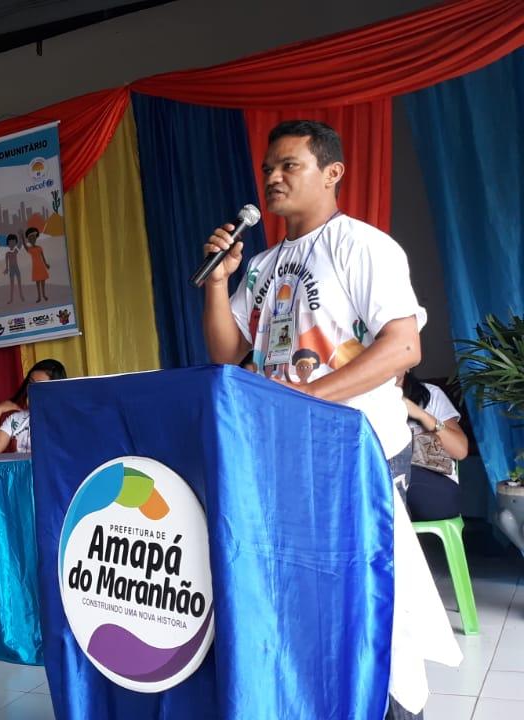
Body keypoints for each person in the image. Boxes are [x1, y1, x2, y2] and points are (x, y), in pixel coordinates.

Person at [199, 119, 456, 719]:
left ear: (332, 173)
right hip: (280, 453)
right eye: (268, 168)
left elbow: (402, 348)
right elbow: (223, 353)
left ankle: (392, 709)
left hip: (354, 451)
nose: (273, 177)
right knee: (300, 602)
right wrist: (218, 283)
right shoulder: (262, 266)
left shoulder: (363, 246)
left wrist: (305, 399)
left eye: (290, 165)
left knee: (365, 603)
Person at [399, 372, 470, 522]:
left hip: (434, 485)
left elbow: (460, 450)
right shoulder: (364, 399)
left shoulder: (430, 394)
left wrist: (421, 415)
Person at [0, 359, 66, 454]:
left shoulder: (65, 420)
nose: (32, 388)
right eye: (30, 382)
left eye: (39, 385)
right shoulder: (16, 419)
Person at [24, 227, 50, 303]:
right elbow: (26, 247)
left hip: (41, 266)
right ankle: (39, 297)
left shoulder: (39, 248)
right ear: (29, 240)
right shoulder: (30, 249)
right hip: (35, 267)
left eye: (34, 238)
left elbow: (43, 257)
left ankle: (44, 295)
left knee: (43, 282)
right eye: (31, 238)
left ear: (36, 238)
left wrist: (46, 264)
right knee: (38, 283)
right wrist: (22, 237)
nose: (33, 239)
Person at [4, 234, 26, 304]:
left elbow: (20, 245)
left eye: (13, 242)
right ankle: (11, 299)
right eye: (10, 242)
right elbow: (6, 262)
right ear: (8, 243)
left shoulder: (15, 251)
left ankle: (21, 296)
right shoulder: (7, 253)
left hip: (16, 268)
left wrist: (20, 237)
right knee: (12, 284)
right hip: (11, 269)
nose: (12, 244)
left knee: (19, 282)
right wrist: (6, 269)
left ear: (15, 242)